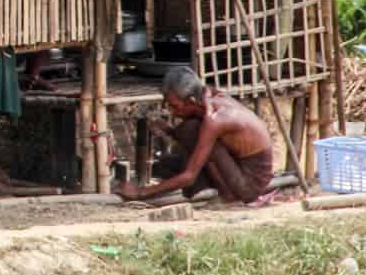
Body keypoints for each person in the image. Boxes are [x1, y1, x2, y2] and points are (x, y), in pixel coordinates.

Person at [116, 66, 274, 204]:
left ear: (191, 100)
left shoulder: (215, 119)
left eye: (174, 106)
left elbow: (189, 176)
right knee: (173, 152)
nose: (172, 112)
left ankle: (229, 196)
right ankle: (207, 189)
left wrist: (141, 192)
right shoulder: (208, 96)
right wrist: (170, 131)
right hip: (238, 166)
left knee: (190, 130)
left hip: (249, 185)